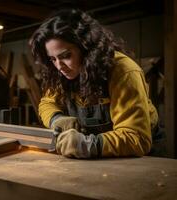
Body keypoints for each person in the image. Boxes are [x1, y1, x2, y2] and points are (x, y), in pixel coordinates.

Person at [29, 9, 159, 159]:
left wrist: (87, 145)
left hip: (141, 156)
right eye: (53, 59)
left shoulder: (123, 71)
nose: (59, 66)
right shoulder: (61, 72)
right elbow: (47, 103)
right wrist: (57, 119)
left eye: (65, 56)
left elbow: (136, 138)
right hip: (96, 154)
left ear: (86, 47)